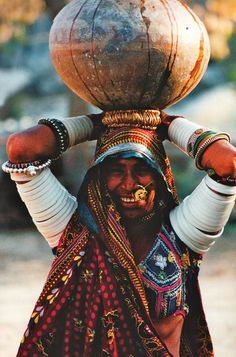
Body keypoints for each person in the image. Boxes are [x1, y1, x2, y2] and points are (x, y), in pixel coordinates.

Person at [3, 110, 236, 357]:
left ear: (158, 177)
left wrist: (170, 126)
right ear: (99, 176)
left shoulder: (181, 235)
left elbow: (229, 163)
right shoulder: (73, 230)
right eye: (116, 170)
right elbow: (21, 147)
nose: (128, 183)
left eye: (141, 169)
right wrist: (96, 124)